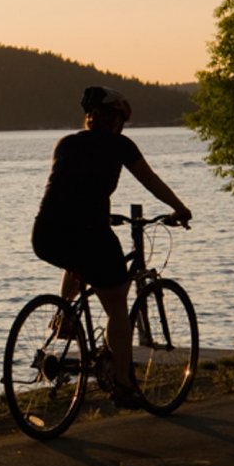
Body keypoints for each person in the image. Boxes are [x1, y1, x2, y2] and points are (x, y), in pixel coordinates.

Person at [31, 86, 192, 408]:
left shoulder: (65, 143)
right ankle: (123, 384)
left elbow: (68, 191)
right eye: (122, 118)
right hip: (90, 232)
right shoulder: (120, 145)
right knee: (117, 302)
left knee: (77, 257)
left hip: (45, 233)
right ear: (116, 119)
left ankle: (64, 314)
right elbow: (151, 180)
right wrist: (180, 208)